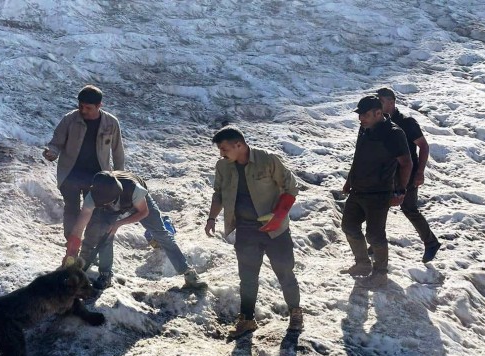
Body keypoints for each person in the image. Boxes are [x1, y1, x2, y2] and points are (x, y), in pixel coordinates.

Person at [205, 125, 302, 338]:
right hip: (245, 230)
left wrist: (279, 216)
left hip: (275, 230)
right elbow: (219, 193)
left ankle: (295, 312)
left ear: (239, 145)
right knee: (247, 277)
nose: (221, 153)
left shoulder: (268, 160)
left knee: (285, 272)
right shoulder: (223, 167)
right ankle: (247, 319)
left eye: (224, 149)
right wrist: (212, 218)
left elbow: (291, 187)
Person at [62, 170, 206, 290]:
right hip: (109, 210)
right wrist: (71, 254)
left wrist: (119, 223)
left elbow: (143, 212)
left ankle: (188, 272)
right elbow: (79, 228)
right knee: (104, 234)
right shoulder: (93, 197)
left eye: (110, 201)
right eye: (104, 202)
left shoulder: (134, 189)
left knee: (162, 234)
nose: (109, 204)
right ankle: (105, 275)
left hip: (138, 203)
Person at [341, 95, 413, 279]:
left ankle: (380, 271)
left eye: (365, 115)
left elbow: (406, 163)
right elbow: (358, 156)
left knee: (374, 235)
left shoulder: (394, 134)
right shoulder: (364, 129)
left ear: (378, 113)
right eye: (360, 115)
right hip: (358, 190)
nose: (361, 118)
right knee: (349, 226)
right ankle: (363, 263)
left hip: (379, 193)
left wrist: (401, 189)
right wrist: (349, 180)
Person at [43, 85, 125, 238]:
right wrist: (51, 152)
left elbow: (118, 152)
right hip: (70, 174)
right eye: (81, 106)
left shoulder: (111, 123)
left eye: (88, 107)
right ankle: (71, 244)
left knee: (94, 212)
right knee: (71, 210)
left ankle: (88, 244)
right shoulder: (69, 119)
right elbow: (56, 143)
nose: (83, 111)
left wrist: (120, 179)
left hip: (97, 177)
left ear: (99, 106)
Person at [376, 87, 441, 263]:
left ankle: (431, 242)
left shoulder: (407, 123)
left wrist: (420, 172)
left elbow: (424, 146)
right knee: (379, 207)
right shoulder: (379, 123)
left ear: (391, 102)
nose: (378, 104)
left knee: (409, 209)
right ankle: (375, 245)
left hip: (407, 174)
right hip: (388, 175)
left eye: (381, 101)